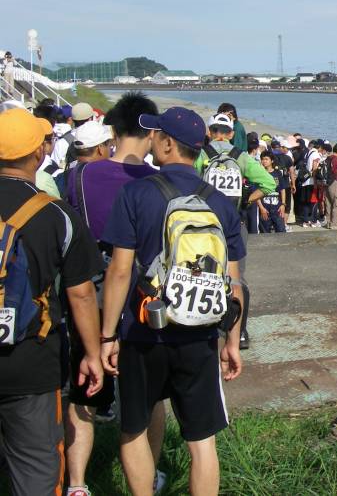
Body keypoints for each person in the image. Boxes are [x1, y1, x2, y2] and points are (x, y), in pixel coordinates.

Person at [100, 107, 244, 496]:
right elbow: (234, 283)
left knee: (133, 429)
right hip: (200, 334)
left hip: (145, 331)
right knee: (202, 442)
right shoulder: (221, 203)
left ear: (165, 144)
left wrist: (107, 336)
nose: (151, 141)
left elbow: (119, 272)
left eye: (155, 136)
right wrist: (231, 341)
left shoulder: (135, 193)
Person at [60, 92, 169, 496]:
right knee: (150, 398)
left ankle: (76, 484)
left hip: (88, 291)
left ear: (114, 129)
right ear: (151, 131)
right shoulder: (160, 181)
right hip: (143, 298)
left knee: (84, 389)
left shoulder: (79, 176)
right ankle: (148, 475)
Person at [0, 108, 103, 496]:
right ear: (38, 155)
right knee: (37, 468)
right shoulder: (57, 215)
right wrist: (91, 353)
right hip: (32, 357)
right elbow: (80, 293)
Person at [196, 113, 275, 350]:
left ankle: (202, 321)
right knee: (237, 278)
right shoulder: (240, 156)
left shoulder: (201, 155)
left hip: (205, 223)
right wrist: (246, 200)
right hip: (233, 222)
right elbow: (269, 184)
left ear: (209, 132)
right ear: (231, 134)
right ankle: (240, 332)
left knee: (202, 271)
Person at [258, 151, 288, 233]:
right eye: (262, 159)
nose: (264, 161)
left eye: (266, 159)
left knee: (281, 231)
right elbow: (256, 193)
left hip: (277, 208)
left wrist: (283, 204)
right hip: (265, 208)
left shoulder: (278, 173)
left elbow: (282, 189)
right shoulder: (259, 174)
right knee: (264, 233)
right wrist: (261, 208)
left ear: (272, 161)